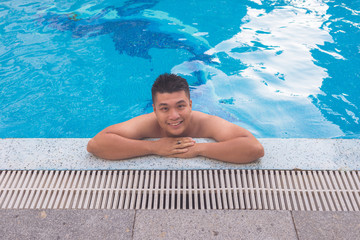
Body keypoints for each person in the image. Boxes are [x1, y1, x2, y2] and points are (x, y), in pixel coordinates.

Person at [87, 73, 264, 163]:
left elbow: (254, 148)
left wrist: (198, 149)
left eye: (181, 106)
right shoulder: (148, 122)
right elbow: (96, 144)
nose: (174, 116)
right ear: (155, 110)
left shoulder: (204, 122)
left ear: (191, 105)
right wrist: (153, 146)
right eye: (164, 108)